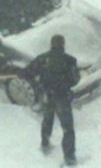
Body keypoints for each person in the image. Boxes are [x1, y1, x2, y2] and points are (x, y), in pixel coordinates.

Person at [23, 34, 81, 166]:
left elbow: (28, 72)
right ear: (63, 45)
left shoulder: (43, 59)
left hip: (47, 95)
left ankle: (45, 144)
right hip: (63, 97)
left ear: (51, 44)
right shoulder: (70, 60)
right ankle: (69, 157)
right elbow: (75, 80)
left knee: (47, 120)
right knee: (67, 128)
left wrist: (21, 73)